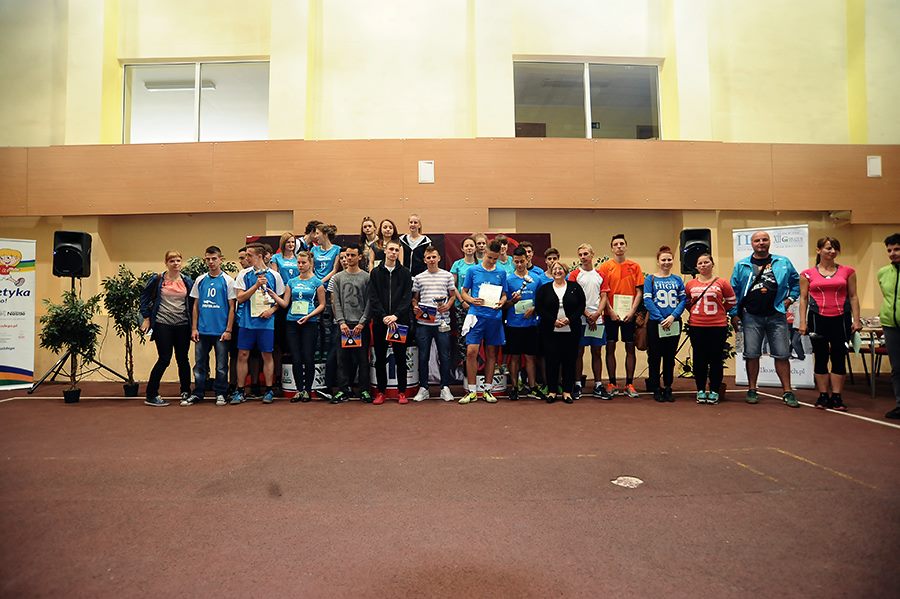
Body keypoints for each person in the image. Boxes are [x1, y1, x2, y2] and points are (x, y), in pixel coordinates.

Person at [730, 230, 801, 408]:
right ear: (752, 244)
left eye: (764, 239)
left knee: (782, 354)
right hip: (751, 316)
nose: (761, 243)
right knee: (752, 354)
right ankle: (752, 389)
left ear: (769, 242)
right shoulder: (742, 265)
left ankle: (787, 391)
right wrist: (734, 314)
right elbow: (733, 291)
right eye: (757, 240)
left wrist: (790, 299)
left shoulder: (783, 262)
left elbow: (797, 282)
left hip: (776, 316)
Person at [798, 237, 861, 411]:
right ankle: (823, 395)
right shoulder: (807, 274)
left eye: (835, 248)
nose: (832, 251)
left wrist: (856, 320)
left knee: (839, 356)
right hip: (817, 319)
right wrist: (802, 322)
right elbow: (803, 299)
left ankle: (837, 396)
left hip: (841, 319)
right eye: (828, 248)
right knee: (821, 356)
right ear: (818, 250)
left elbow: (853, 296)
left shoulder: (848, 271)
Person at [232, 243, 286, 404]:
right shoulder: (244, 274)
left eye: (250, 255)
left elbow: (280, 300)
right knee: (243, 355)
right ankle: (240, 390)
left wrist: (272, 310)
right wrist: (255, 286)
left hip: (266, 322)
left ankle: (269, 390)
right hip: (246, 321)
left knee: (267, 355)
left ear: (260, 256)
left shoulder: (275, 275)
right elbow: (240, 298)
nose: (246, 258)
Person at [139, 250, 194, 407]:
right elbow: (144, 298)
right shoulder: (157, 279)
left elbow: (192, 303)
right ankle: (151, 394)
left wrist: (195, 326)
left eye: (178, 260)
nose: (175, 263)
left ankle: (185, 391)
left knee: (183, 359)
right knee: (164, 359)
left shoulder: (187, 281)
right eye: (172, 261)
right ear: (166, 263)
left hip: (183, 325)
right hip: (163, 324)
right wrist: (146, 318)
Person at [184, 246, 236, 406]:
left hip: (221, 332)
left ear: (221, 259)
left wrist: (228, 330)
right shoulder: (200, 280)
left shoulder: (228, 281)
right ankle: (198, 393)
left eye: (214, 259)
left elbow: (232, 307)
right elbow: (195, 305)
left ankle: (221, 393)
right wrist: (194, 328)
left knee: (221, 366)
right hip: (202, 331)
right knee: (199, 365)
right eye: (208, 259)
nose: (211, 262)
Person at [460, 240, 508, 404]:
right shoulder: (472, 270)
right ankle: (472, 391)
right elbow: (464, 292)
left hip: (494, 317)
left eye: (495, 258)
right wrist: (471, 300)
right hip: (476, 316)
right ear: (484, 253)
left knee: (491, 353)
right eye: (490, 257)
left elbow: (504, 294)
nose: (492, 261)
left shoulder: (501, 273)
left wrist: (502, 301)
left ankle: (488, 390)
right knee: (471, 351)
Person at [685, 253, 736, 405]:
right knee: (699, 359)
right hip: (697, 325)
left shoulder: (722, 282)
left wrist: (721, 310)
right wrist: (695, 312)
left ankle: (714, 390)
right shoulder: (690, 284)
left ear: (712, 264)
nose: (703, 265)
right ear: (696, 267)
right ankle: (700, 389)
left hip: (717, 326)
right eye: (700, 263)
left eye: (706, 262)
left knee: (716, 359)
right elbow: (686, 302)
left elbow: (731, 301)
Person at [597, 234, 644, 398]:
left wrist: (632, 311)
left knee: (630, 347)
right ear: (611, 248)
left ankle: (629, 383)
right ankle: (612, 383)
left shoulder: (635, 266)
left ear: (626, 246)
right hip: (610, 314)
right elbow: (603, 292)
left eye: (622, 244)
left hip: (629, 314)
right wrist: (610, 311)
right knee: (610, 347)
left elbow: (639, 292)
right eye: (616, 244)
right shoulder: (605, 267)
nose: (619, 246)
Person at [412, 245, 458, 402]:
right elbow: (414, 299)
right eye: (428, 257)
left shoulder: (447, 276)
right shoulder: (419, 278)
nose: (431, 260)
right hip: (424, 323)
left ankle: (445, 388)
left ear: (439, 258)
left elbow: (452, 296)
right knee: (423, 356)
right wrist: (415, 307)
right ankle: (424, 388)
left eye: (434, 257)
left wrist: (448, 305)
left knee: (444, 356)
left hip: (442, 322)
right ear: (424, 260)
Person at [369, 240, 413, 404]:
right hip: (380, 322)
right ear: (385, 251)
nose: (393, 252)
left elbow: (407, 297)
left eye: (396, 250)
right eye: (391, 249)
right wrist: (383, 316)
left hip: (399, 322)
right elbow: (373, 297)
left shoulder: (405, 273)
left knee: (401, 357)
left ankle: (402, 392)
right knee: (380, 358)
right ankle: (381, 392)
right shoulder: (375, 273)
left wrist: (396, 315)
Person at [535, 262, 586, 404]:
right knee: (551, 361)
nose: (557, 271)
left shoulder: (575, 287)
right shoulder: (544, 289)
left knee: (569, 361)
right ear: (551, 272)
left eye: (560, 269)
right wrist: (553, 321)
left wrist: (570, 319)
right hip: (550, 331)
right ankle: (552, 391)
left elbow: (581, 306)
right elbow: (540, 308)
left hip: (571, 331)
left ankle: (567, 391)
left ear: (565, 271)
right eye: (554, 269)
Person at [281, 251, 326, 403]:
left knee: (308, 356)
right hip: (292, 322)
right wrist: (272, 295)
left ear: (310, 263)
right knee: (296, 357)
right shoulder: (291, 282)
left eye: (303, 262)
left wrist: (309, 316)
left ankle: (307, 390)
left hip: (309, 323)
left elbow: (322, 305)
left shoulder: (317, 283)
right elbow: (285, 303)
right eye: (298, 263)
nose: (300, 265)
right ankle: (299, 390)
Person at [644, 246, 687, 402]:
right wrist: (660, 318)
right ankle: (656, 387)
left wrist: (673, 316)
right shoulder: (650, 279)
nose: (666, 262)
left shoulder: (677, 279)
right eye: (663, 260)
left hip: (673, 322)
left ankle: (668, 386)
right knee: (654, 357)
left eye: (669, 259)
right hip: (656, 323)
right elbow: (648, 300)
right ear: (658, 261)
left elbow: (683, 300)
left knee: (670, 357)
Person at [568, 244, 611, 400]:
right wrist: (586, 314)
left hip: (597, 320)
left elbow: (604, 296)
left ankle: (598, 384)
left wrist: (597, 314)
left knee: (597, 352)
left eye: (586, 254)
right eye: (580, 254)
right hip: (580, 320)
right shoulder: (574, 275)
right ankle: (578, 384)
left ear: (592, 255)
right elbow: (573, 298)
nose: (583, 257)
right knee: (578, 352)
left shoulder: (600, 275)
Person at [331, 244, 373, 403]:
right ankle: (343, 390)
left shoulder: (366, 278)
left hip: (360, 326)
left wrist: (362, 323)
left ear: (360, 257)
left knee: (363, 360)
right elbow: (336, 302)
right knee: (342, 360)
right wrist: (341, 322)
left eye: (352, 255)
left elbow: (369, 302)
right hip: (344, 326)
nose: (349, 258)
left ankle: (364, 390)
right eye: (347, 255)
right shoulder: (338, 278)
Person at [504, 247, 546, 400]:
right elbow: (504, 304)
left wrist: (534, 309)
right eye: (516, 262)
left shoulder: (536, 278)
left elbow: (542, 300)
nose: (519, 264)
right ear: (513, 261)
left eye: (522, 261)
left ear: (527, 259)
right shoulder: (508, 279)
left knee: (530, 357)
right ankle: (515, 387)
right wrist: (512, 301)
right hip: (513, 325)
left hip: (531, 325)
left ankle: (533, 386)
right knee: (514, 357)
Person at [877, 233, 900, 419]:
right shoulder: (883, 273)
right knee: (897, 368)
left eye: (897, 249)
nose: (893, 253)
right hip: (890, 325)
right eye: (890, 250)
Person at [450, 236, 478, 377]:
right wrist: (462, 301)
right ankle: (465, 371)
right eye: (466, 245)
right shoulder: (457, 264)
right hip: (462, 306)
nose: (469, 248)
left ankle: (477, 370)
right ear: (462, 248)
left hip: (478, 307)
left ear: (475, 248)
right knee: (463, 338)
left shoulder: (480, 265)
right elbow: (453, 285)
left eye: (471, 245)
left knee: (476, 339)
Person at [228, 246, 252, 395]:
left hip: (255, 321)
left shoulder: (262, 276)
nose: (242, 261)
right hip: (239, 321)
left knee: (255, 355)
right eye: (241, 258)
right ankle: (233, 385)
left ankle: (254, 385)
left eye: (244, 258)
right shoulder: (238, 278)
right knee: (235, 354)